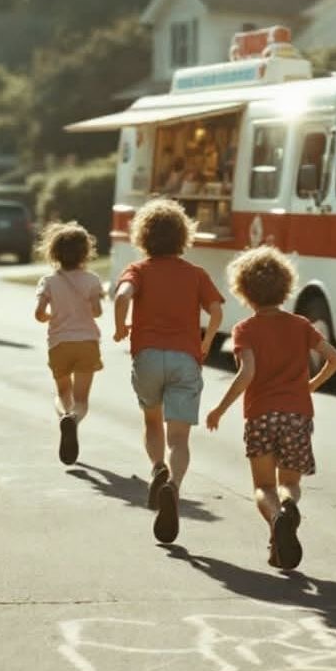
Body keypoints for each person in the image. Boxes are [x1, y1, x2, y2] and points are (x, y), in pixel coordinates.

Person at [205, 246, 336, 570]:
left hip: (261, 416)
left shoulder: (245, 330)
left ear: (244, 291)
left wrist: (220, 409)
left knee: (262, 486)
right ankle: (287, 507)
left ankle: (277, 518)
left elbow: (247, 373)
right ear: (285, 285)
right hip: (297, 415)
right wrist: (310, 386)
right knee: (289, 483)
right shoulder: (301, 325)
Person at [113, 198, 224, 544]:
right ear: (182, 235)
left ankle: (156, 467)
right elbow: (217, 310)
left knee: (152, 421)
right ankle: (173, 485)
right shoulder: (196, 274)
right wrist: (205, 342)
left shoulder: (138, 270)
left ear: (143, 235)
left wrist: (120, 327)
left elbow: (122, 296)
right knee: (180, 437)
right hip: (184, 359)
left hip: (147, 357)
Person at [34, 222, 105, 466]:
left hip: (59, 344)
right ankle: (74, 419)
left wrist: (51, 316)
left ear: (53, 252)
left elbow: (39, 314)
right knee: (82, 399)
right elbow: (96, 312)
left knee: (63, 392)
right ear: (86, 252)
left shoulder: (48, 281)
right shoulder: (93, 280)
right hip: (86, 342)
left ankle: (64, 415)